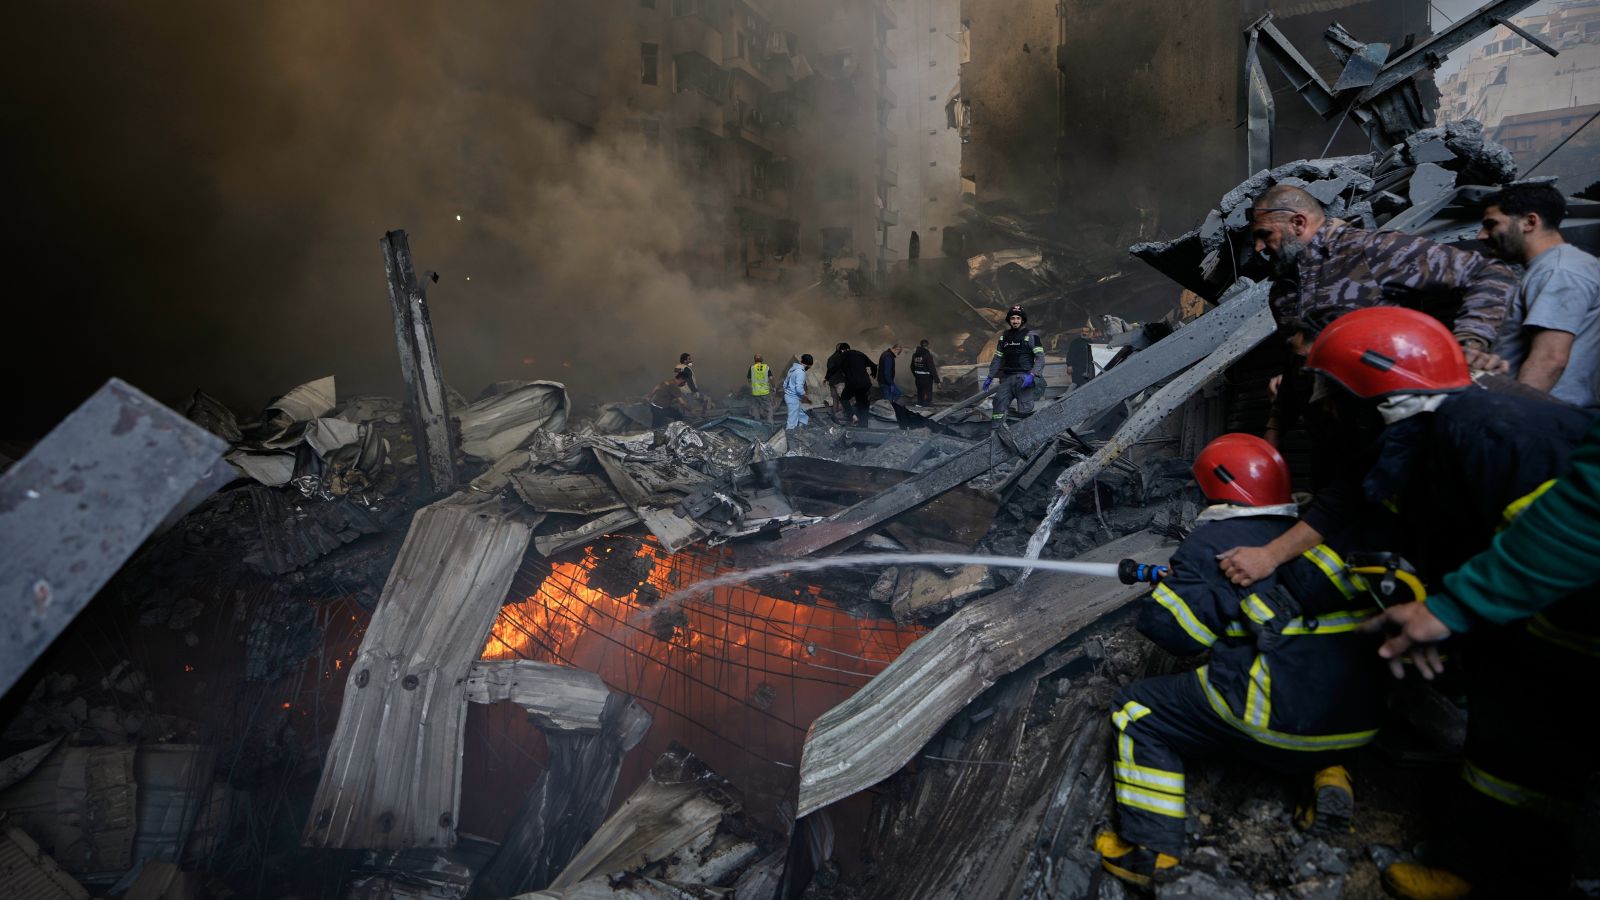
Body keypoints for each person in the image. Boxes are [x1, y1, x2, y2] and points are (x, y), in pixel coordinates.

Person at [1284, 307, 1598, 897]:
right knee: (1514, 743)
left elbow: (1559, 550)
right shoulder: (1429, 435)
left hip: (1569, 621)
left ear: (1371, 394)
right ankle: (1491, 866)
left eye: (1332, 393)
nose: (1323, 408)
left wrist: (1457, 612)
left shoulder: (1488, 434)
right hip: (1528, 618)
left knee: (1528, 739)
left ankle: (1513, 872)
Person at [1096, 434, 1390, 888]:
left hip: (1277, 716)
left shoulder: (1215, 540)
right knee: (1308, 677)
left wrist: (1177, 588)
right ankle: (1329, 772)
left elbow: (1178, 637)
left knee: (1137, 711)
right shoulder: (1316, 532)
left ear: (1215, 489)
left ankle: (1150, 850)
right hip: (1358, 719)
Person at [1477, 182, 1600, 408]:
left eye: (1491, 225)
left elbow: (1550, 359)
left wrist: (1512, 418)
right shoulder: (1559, 266)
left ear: (1529, 222)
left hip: (1544, 416)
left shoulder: (1559, 271)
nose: (1482, 235)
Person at [984, 305, 1046, 423]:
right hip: (1006, 378)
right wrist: (990, 376)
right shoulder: (1004, 337)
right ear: (1009, 320)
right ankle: (997, 432)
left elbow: (1040, 358)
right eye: (1013, 318)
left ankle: (1027, 437)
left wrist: (1032, 375)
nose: (1015, 321)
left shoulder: (1031, 336)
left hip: (1024, 378)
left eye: (1018, 318)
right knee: (998, 404)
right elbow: (997, 358)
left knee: (1025, 410)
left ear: (1022, 320)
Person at [834, 343, 877, 425]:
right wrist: (874, 373)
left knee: (844, 399)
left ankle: (853, 416)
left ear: (843, 350)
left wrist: (827, 378)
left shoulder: (843, 356)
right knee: (863, 404)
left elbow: (835, 368)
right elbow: (874, 365)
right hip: (865, 384)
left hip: (853, 383)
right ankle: (864, 427)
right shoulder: (860, 354)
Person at [784, 353, 814, 430]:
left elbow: (785, 384)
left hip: (792, 397)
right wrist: (806, 397)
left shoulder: (792, 369)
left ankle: (801, 427)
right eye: (810, 366)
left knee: (802, 413)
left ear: (801, 360)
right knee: (792, 420)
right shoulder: (801, 372)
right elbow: (799, 388)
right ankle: (790, 434)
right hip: (793, 398)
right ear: (809, 365)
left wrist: (788, 392)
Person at [824, 342, 850, 421]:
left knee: (835, 400)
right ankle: (840, 417)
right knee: (843, 400)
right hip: (840, 382)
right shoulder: (841, 358)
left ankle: (835, 416)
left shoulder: (830, 358)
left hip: (832, 382)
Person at [910, 339, 939, 406]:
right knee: (927, 392)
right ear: (927, 346)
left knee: (920, 391)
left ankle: (919, 403)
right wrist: (937, 381)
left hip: (918, 377)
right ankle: (926, 405)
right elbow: (932, 369)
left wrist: (916, 374)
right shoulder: (927, 355)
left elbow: (912, 367)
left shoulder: (915, 355)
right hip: (926, 378)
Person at [747, 354, 774, 424]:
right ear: (762, 360)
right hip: (765, 391)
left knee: (755, 408)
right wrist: (773, 387)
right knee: (768, 407)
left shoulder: (752, 368)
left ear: (754, 360)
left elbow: (749, 380)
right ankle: (770, 422)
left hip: (755, 392)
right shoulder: (766, 367)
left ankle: (757, 423)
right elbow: (771, 378)